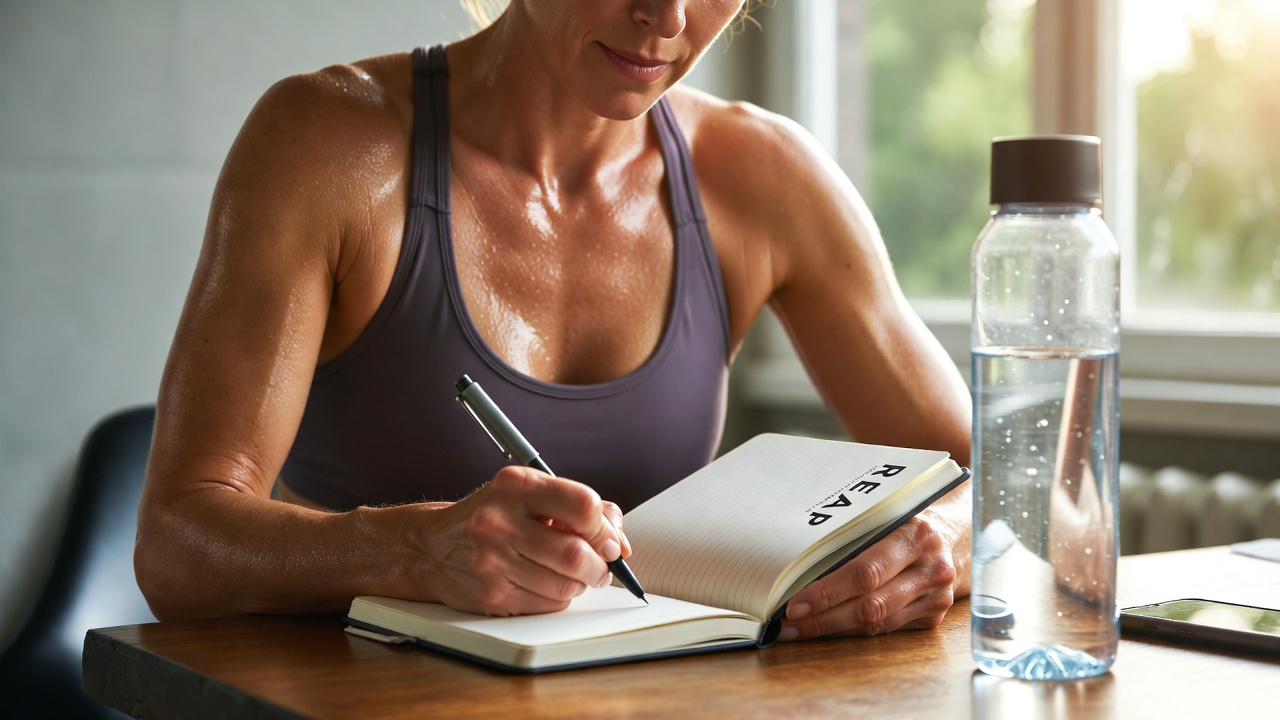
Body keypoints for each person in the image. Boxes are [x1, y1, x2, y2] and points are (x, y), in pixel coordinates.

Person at [135, 0, 973, 642]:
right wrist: (416, 550)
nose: (669, 20)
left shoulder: (761, 175)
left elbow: (992, 473)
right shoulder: (329, 142)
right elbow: (176, 543)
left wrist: (941, 540)